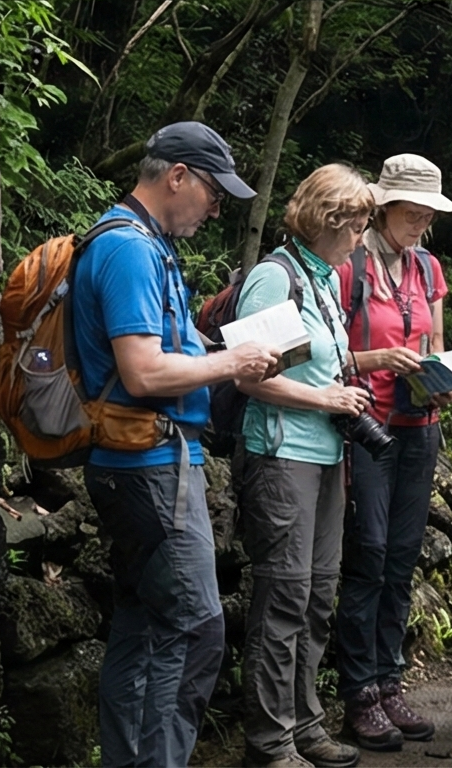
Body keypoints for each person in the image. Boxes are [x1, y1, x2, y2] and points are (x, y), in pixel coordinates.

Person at [72, 122, 280, 768]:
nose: (215, 210)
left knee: (142, 626)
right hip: (149, 467)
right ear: (178, 176)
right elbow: (143, 372)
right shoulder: (130, 251)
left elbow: (166, 351)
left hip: (142, 464)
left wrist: (225, 353)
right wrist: (232, 363)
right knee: (193, 631)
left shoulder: (140, 243)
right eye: (214, 194)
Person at [232, 164, 379, 768]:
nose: (363, 239)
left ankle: (306, 725)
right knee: (285, 598)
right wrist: (326, 400)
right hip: (281, 456)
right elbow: (248, 376)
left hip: (324, 457)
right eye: (358, 225)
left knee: (318, 596)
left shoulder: (324, 278)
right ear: (330, 219)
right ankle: (270, 743)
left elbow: (323, 362)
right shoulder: (276, 277)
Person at [336, 154, 452, 751]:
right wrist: (378, 359)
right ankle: (359, 692)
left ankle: (389, 681)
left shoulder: (427, 268)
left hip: (419, 423)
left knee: (403, 554)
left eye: (428, 215)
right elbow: (324, 352)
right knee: (370, 552)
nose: (421, 223)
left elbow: (435, 343)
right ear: (384, 207)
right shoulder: (349, 266)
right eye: (412, 212)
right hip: (367, 426)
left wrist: (446, 376)